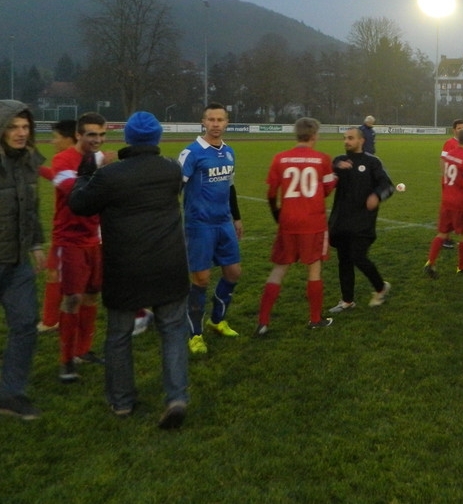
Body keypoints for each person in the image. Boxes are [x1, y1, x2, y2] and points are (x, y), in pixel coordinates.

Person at [69, 111, 190, 429]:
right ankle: (176, 397)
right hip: (168, 263)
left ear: (128, 138)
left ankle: (122, 402)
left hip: (126, 266)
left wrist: (86, 172)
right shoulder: (171, 169)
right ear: (157, 138)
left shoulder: (111, 175)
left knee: (119, 335)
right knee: (173, 332)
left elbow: (79, 204)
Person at [255, 118, 337, 336]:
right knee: (314, 269)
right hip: (313, 222)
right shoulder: (322, 159)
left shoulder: (280, 158)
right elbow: (327, 190)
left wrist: (277, 215)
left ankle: (263, 322)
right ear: (314, 135)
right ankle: (315, 319)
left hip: (288, 221)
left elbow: (271, 193)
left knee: (279, 269)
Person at [178, 103, 243, 355]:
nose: (216, 124)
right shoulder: (191, 153)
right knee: (201, 280)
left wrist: (237, 218)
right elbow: (176, 188)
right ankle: (195, 334)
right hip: (199, 225)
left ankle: (217, 320)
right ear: (203, 122)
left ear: (227, 123)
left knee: (233, 273)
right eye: (211, 119)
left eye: (220, 120)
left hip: (224, 223)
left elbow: (230, 187)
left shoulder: (229, 152)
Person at [51, 112, 109, 383]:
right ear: (78, 134)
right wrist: (101, 171)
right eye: (91, 134)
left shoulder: (100, 160)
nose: (97, 140)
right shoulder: (62, 160)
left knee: (91, 295)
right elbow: (75, 191)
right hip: (70, 239)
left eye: (102, 134)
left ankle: (83, 350)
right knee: (72, 298)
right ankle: (66, 360)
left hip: (95, 238)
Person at [0, 101, 46, 421]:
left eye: (25, 127)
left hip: (17, 262)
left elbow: (31, 207)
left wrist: (37, 244)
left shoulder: (29, 161)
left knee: (26, 324)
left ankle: (10, 393)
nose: (20, 133)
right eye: (13, 127)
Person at [326, 126, 394, 313]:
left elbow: (388, 186)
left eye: (350, 138)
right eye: (345, 138)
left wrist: (376, 196)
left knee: (358, 256)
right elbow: (327, 177)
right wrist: (336, 168)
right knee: (344, 261)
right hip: (341, 220)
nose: (346, 141)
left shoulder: (372, 162)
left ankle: (381, 287)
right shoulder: (339, 161)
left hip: (363, 221)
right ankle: (347, 300)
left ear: (361, 140)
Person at [37, 119, 78, 334]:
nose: (52, 142)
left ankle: (50, 320)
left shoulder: (66, 159)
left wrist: (34, 166)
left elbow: (64, 182)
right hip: (78, 229)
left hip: (68, 230)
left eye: (56, 137)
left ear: (69, 138)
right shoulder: (84, 158)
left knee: (54, 273)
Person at [424, 127, 463, 277]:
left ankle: (430, 262)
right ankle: (461, 267)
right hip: (461, 203)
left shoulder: (450, 155)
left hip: (447, 200)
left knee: (442, 233)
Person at [439, 119, 463, 250]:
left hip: (459, 183)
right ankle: (445, 237)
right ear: (454, 130)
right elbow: (443, 161)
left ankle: (452, 235)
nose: (461, 130)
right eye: (459, 128)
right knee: (449, 209)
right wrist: (447, 177)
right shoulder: (449, 143)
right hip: (450, 183)